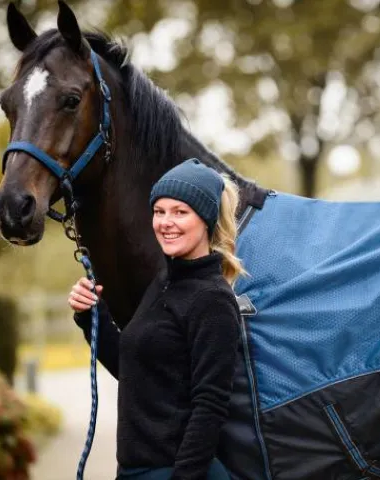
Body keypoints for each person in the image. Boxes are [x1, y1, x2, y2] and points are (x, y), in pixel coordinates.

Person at [68, 158, 244, 480]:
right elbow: (133, 370)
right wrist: (92, 314)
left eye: (180, 212)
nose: (166, 222)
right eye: (159, 211)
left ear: (205, 218)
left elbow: (210, 405)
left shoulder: (212, 300)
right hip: (135, 470)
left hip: (176, 472)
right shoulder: (164, 282)